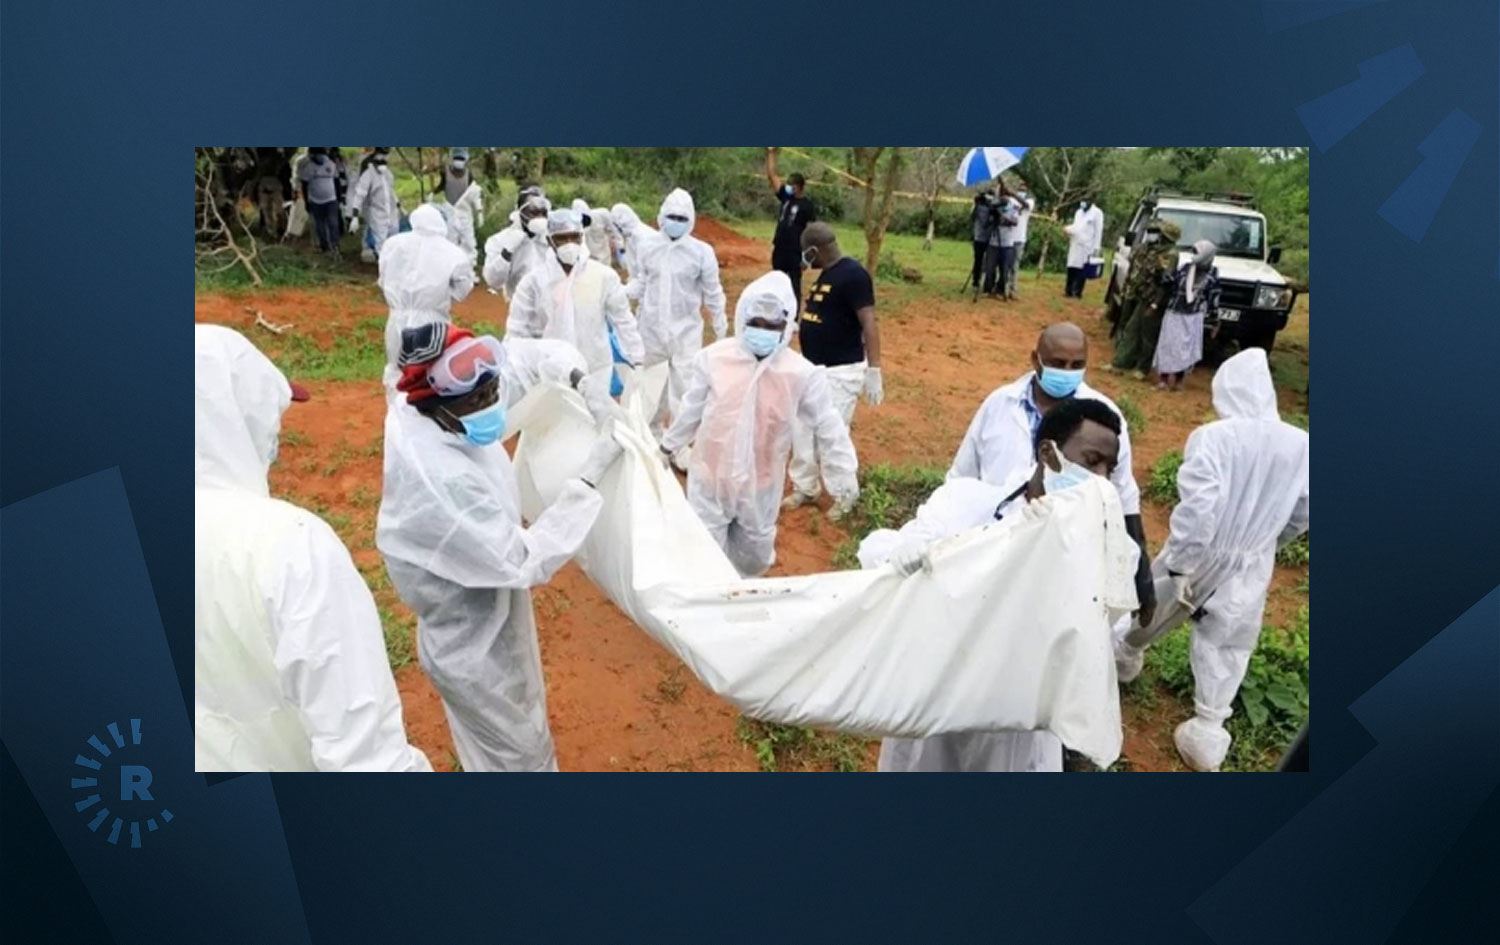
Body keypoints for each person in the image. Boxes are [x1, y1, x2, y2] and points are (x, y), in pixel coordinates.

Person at [376, 323, 626, 772]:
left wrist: (581, 382)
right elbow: (522, 560)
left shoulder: (434, 409)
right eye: (478, 400)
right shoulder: (442, 479)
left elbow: (525, 359)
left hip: (487, 610)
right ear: (437, 407)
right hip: (474, 645)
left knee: (489, 751)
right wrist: (590, 478)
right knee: (521, 754)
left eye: (492, 389)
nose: (492, 402)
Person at [195, 324, 431, 772]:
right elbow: (366, 757)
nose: (278, 434)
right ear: (237, 415)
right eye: (271, 414)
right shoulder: (288, 544)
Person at [860, 397, 1131, 771]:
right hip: (938, 691)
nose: (1101, 479)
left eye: (1109, 468)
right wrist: (903, 557)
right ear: (1048, 453)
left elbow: (1107, 631)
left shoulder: (1104, 545)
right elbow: (887, 553)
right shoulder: (966, 503)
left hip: (1016, 718)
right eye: (1091, 461)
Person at [1114, 349, 1309, 771]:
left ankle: (1122, 659)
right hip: (1254, 555)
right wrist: (1267, 541)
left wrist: (1182, 564)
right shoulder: (1301, 445)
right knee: (1230, 636)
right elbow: (1302, 512)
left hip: (1204, 549)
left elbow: (1199, 507)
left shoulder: (1214, 437)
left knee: (1151, 607)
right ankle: (1208, 729)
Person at [950, 322, 1156, 623]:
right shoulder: (999, 405)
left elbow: (1123, 495)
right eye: (1058, 363)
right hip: (994, 546)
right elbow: (962, 478)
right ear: (1036, 360)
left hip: (1066, 554)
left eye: (1077, 365)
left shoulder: (1104, 419)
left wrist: (1141, 575)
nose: (1067, 372)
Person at [660, 271, 858, 577]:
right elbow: (691, 409)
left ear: (786, 326)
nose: (762, 331)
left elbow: (827, 423)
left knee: (753, 557)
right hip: (711, 477)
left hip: (761, 483)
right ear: (743, 318)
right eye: (756, 323)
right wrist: (668, 446)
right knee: (703, 556)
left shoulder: (800, 374)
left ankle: (742, 591)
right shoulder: (714, 359)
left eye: (772, 325)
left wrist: (843, 471)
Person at [783, 222, 883, 517]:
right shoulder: (827, 275)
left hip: (841, 371)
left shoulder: (853, 275)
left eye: (806, 253)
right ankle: (806, 487)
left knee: (831, 434)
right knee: (802, 430)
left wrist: (874, 369)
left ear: (815, 250)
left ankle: (845, 494)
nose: (804, 258)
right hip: (813, 370)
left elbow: (869, 321)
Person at [628, 188, 728, 443]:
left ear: (691, 220)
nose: (676, 223)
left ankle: (680, 444)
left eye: (682, 219)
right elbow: (641, 282)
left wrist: (719, 323)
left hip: (685, 332)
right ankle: (648, 436)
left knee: (685, 389)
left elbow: (712, 291)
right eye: (671, 217)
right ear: (662, 217)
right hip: (650, 329)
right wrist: (621, 295)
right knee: (648, 387)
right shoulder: (647, 246)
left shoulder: (701, 252)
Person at [508, 208, 644, 391]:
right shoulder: (534, 282)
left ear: (582, 238)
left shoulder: (603, 276)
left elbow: (623, 320)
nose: (569, 244)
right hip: (552, 371)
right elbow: (517, 330)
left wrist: (636, 358)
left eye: (574, 237)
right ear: (550, 241)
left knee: (597, 408)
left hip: (596, 369)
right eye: (561, 238)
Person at [376, 204, 475, 388]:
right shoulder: (452, 252)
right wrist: (442, 293)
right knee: (430, 375)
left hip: (397, 318)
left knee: (396, 372)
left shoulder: (392, 245)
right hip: (432, 322)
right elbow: (463, 290)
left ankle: (397, 405)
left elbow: (383, 278)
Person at [1108, 218, 1183, 376]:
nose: (1157, 235)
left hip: (1154, 299)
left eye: (1160, 233)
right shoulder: (1153, 249)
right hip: (1144, 295)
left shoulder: (1170, 254)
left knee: (1148, 335)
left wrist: (1155, 304)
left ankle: (1142, 368)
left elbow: (1165, 283)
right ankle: (1120, 363)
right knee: (1131, 330)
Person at [1153, 240, 1220, 391]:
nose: (1194, 255)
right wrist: (1162, 272)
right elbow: (1171, 284)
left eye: (1197, 252)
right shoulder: (1185, 268)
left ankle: (1178, 381)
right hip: (1174, 313)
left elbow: (1214, 298)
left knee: (1185, 349)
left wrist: (1214, 320)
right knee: (1168, 345)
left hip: (1193, 317)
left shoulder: (1212, 274)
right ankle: (1163, 379)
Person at [765, 147, 817, 307]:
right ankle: (776, 311)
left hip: (795, 252)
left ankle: (793, 316)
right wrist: (771, 153)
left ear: (799, 187)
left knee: (794, 286)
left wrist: (807, 258)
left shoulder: (807, 206)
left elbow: (811, 233)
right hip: (779, 249)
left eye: (791, 185)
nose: (788, 187)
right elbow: (772, 175)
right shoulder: (786, 197)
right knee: (776, 282)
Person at [482, 191, 556, 299]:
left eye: (543, 213)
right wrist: (507, 253)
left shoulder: (553, 238)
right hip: (519, 303)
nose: (539, 217)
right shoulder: (500, 240)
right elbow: (493, 281)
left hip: (550, 302)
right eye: (534, 212)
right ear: (519, 213)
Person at [348, 148, 401, 262]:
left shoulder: (388, 174)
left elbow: (391, 191)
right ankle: (383, 266)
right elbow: (359, 195)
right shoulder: (368, 175)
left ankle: (394, 264)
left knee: (394, 241)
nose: (383, 159)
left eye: (385, 156)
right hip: (377, 213)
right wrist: (355, 216)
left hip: (391, 213)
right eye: (381, 157)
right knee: (381, 244)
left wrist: (398, 204)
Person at [434, 148, 484, 269]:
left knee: (468, 241)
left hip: (465, 213)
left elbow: (475, 193)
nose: (459, 161)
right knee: (450, 240)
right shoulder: (445, 172)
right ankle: (450, 267)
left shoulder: (469, 175)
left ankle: (469, 267)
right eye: (457, 158)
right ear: (452, 159)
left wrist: (479, 212)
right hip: (450, 211)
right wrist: (432, 195)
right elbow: (441, 186)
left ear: (465, 160)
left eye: (461, 159)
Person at [297, 147, 342, 256]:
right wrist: (307, 202)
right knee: (320, 225)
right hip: (315, 201)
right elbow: (304, 185)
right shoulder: (309, 167)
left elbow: (337, 182)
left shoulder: (330, 164)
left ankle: (335, 246)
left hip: (331, 200)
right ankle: (324, 246)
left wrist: (339, 198)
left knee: (333, 223)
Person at [1063, 198, 1104, 298]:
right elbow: (1076, 226)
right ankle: (1068, 291)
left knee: (1082, 270)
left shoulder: (1097, 213)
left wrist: (1096, 248)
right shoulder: (1078, 212)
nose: (1083, 203)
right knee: (1071, 267)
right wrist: (1068, 229)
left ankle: (1077, 292)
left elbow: (1098, 232)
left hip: (1087, 246)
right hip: (1075, 243)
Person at [1003, 185, 1035, 299]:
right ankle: (1004, 289)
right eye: (1020, 190)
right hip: (1008, 237)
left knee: (1015, 266)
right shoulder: (1011, 201)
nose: (1021, 192)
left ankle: (1013, 290)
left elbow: (1025, 205)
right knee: (1006, 265)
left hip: (1020, 239)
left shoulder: (1030, 202)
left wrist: (1013, 194)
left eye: (1023, 190)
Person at [968, 189, 999, 295]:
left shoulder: (993, 207)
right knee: (978, 261)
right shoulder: (978, 206)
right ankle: (976, 281)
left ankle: (988, 284)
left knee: (990, 262)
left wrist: (994, 211)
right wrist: (977, 204)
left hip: (991, 239)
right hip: (979, 238)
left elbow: (996, 220)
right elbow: (975, 218)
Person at [571, 199, 614, 265]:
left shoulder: (601, 214)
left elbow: (612, 229)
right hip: (590, 258)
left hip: (604, 255)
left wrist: (613, 241)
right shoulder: (575, 225)